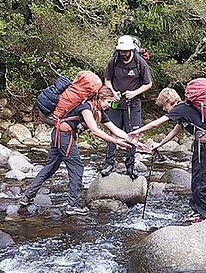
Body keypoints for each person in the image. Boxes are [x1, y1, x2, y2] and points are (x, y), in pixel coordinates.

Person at [20, 86, 148, 216]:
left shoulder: (98, 111)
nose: (109, 105)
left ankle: (27, 197)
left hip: (60, 135)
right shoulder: (86, 107)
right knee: (77, 168)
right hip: (64, 136)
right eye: (108, 102)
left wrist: (135, 143)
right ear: (100, 98)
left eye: (111, 103)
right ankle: (72, 205)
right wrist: (115, 141)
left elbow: (115, 129)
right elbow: (95, 130)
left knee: (50, 167)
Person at [129, 88, 206, 222]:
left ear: (169, 100)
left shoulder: (180, 108)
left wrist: (136, 132)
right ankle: (199, 211)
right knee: (198, 178)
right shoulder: (184, 110)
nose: (164, 109)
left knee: (200, 179)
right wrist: (159, 145)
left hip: (204, 145)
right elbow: (174, 132)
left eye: (164, 105)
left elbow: (155, 123)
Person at [101, 35, 152, 179]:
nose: (123, 53)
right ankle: (109, 164)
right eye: (121, 51)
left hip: (133, 104)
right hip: (116, 104)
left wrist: (134, 93)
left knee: (132, 134)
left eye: (125, 51)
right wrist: (112, 92)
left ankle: (130, 165)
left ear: (131, 50)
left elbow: (148, 84)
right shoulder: (114, 61)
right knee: (113, 133)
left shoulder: (140, 62)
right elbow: (107, 80)